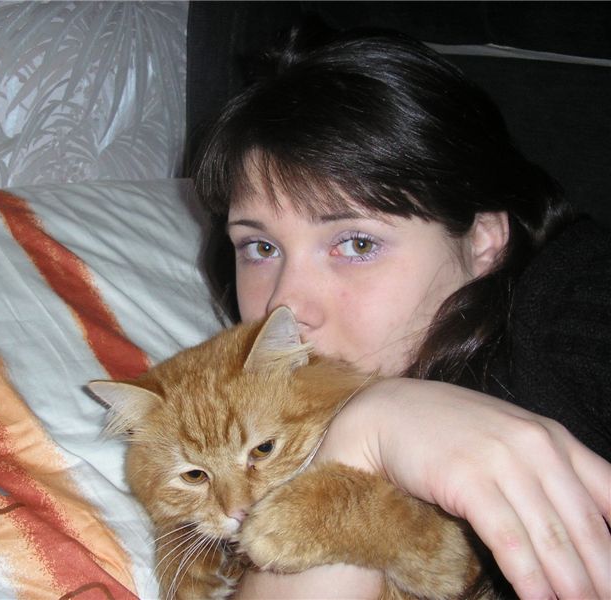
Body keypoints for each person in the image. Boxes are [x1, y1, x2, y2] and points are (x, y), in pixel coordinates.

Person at [191, 23, 611, 599]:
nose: (284, 307)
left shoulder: (579, 314)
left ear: (483, 241)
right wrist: (366, 435)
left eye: (358, 243)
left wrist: (369, 427)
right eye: (261, 248)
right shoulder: (264, 407)